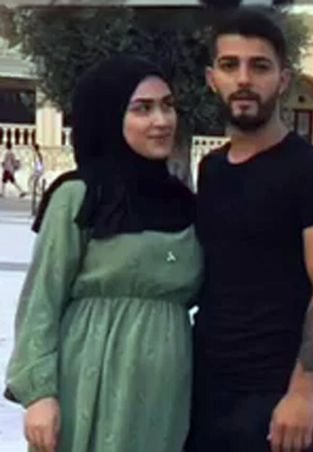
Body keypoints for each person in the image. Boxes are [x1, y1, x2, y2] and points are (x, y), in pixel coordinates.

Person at [5, 55, 203, 452]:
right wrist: (39, 394)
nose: (161, 120)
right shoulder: (80, 195)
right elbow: (42, 300)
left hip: (165, 390)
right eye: (142, 109)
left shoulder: (187, 204)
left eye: (167, 106)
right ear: (109, 116)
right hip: (88, 376)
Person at [187, 8, 313, 452]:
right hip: (202, 388)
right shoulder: (212, 169)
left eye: (259, 66)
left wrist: (302, 393)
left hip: (273, 396)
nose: (243, 79)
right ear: (212, 79)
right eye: (230, 65)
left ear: (283, 80)